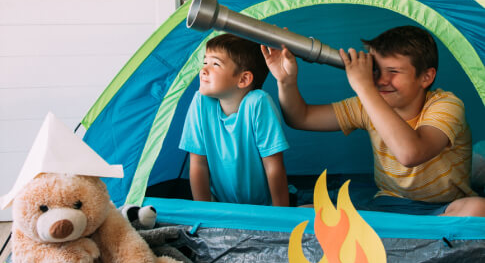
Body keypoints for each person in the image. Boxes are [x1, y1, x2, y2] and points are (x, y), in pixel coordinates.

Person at [262, 25, 485, 217]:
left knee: (478, 209)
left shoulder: (446, 104)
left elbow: (411, 154)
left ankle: (414, 235)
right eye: (376, 70)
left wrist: (365, 87)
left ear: (426, 77)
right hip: (388, 206)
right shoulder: (367, 104)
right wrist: (286, 81)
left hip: (443, 208)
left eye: (394, 71)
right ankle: (409, 235)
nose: (382, 80)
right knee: (306, 212)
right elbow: (300, 117)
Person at [179, 33, 290, 206]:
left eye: (215, 64)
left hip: (263, 206)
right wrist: (204, 211)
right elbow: (198, 164)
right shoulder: (201, 102)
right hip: (220, 203)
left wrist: (281, 215)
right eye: (205, 62)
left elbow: (274, 166)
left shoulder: (257, 103)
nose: (204, 70)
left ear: (243, 79)